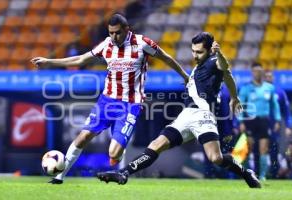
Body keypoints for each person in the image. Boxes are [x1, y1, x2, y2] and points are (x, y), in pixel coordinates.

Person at [31, 14, 189, 184]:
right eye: (111, 33)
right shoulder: (107, 44)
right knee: (82, 137)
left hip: (130, 104)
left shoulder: (142, 43)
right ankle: (59, 177)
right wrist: (49, 62)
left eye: (117, 33)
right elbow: (81, 58)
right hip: (107, 101)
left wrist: (185, 76)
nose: (114, 37)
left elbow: (166, 58)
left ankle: (116, 159)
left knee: (113, 153)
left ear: (127, 29)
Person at [97, 32, 261, 188]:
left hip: (203, 116)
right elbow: (228, 77)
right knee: (156, 144)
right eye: (193, 51)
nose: (195, 55)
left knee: (215, 158)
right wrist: (232, 96)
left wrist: (220, 57)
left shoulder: (213, 61)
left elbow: (225, 68)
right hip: (187, 115)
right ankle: (123, 173)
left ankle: (246, 173)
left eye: (199, 52)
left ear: (210, 50)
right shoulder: (199, 67)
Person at [238, 63, 281, 180]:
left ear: (262, 72)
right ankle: (247, 174)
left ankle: (262, 176)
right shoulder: (246, 88)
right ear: (252, 72)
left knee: (264, 149)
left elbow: (274, 105)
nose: (258, 73)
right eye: (255, 71)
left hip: (264, 121)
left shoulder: (269, 88)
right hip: (250, 121)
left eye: (259, 71)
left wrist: (277, 119)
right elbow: (240, 106)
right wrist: (240, 121)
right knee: (249, 149)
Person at [265, 70, 292, 178]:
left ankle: (274, 173)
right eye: (266, 76)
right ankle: (258, 173)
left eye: (270, 76)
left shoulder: (280, 92)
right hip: (261, 125)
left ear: (273, 78)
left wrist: (288, 126)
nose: (268, 78)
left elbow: (286, 112)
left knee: (274, 150)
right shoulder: (259, 91)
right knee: (259, 149)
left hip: (276, 126)